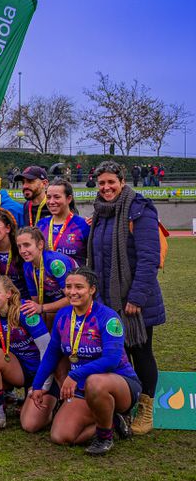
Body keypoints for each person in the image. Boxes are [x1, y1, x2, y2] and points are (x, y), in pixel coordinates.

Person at [87, 160, 165, 435]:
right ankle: (123, 409)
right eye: (102, 183)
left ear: (122, 181)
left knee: (140, 352)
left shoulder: (140, 210)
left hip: (136, 301)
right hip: (106, 301)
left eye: (111, 182)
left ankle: (145, 408)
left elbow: (149, 259)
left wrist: (136, 298)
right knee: (116, 355)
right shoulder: (99, 212)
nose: (106, 187)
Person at [29, 268, 141, 455]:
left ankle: (105, 438)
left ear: (92, 290)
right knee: (60, 436)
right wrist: (38, 385)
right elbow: (51, 354)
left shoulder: (108, 317)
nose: (72, 292)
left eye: (79, 287)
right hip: (82, 388)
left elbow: (111, 360)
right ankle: (111, 421)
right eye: (68, 287)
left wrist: (75, 374)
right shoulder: (63, 316)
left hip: (118, 384)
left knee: (95, 381)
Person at [0, 276, 52, 432]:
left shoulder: (25, 311)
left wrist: (43, 385)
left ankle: (54, 407)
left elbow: (47, 350)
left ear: (8, 294)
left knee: (30, 425)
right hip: (19, 371)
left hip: (41, 373)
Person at [18, 227, 76, 325]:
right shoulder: (27, 266)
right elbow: (35, 301)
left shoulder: (55, 263)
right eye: (19, 246)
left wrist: (42, 308)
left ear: (40, 244)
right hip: (57, 306)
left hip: (78, 304)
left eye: (27, 245)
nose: (22, 250)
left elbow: (73, 298)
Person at [37, 179, 90, 267]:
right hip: (46, 279)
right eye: (48, 197)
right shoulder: (41, 225)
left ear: (69, 199)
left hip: (73, 279)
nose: (51, 202)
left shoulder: (83, 225)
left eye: (57, 197)